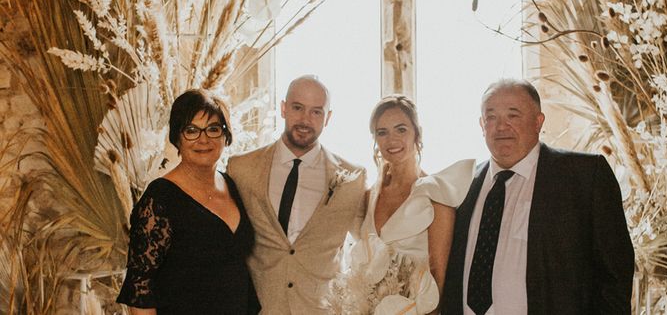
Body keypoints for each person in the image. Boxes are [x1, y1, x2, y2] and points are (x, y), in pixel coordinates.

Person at [443, 79, 635, 315]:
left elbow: (615, 277)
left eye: (513, 115)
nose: (501, 126)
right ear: (482, 125)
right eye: (491, 117)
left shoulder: (584, 176)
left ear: (538, 122)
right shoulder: (461, 185)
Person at [227, 75, 367, 314]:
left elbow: (371, 243)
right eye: (298, 108)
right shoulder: (241, 169)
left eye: (316, 112)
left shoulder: (353, 178)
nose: (305, 119)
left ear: (328, 118)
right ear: (283, 108)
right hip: (259, 308)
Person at [117, 89, 259, 315]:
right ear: (177, 138)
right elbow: (140, 289)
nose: (203, 139)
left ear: (226, 136)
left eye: (213, 129)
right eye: (191, 130)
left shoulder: (231, 184)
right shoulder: (160, 199)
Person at [334, 95, 474, 315]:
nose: (392, 140)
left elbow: (439, 277)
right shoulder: (368, 196)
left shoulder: (436, 194)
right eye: (382, 132)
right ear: (375, 140)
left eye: (401, 130)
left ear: (417, 134)